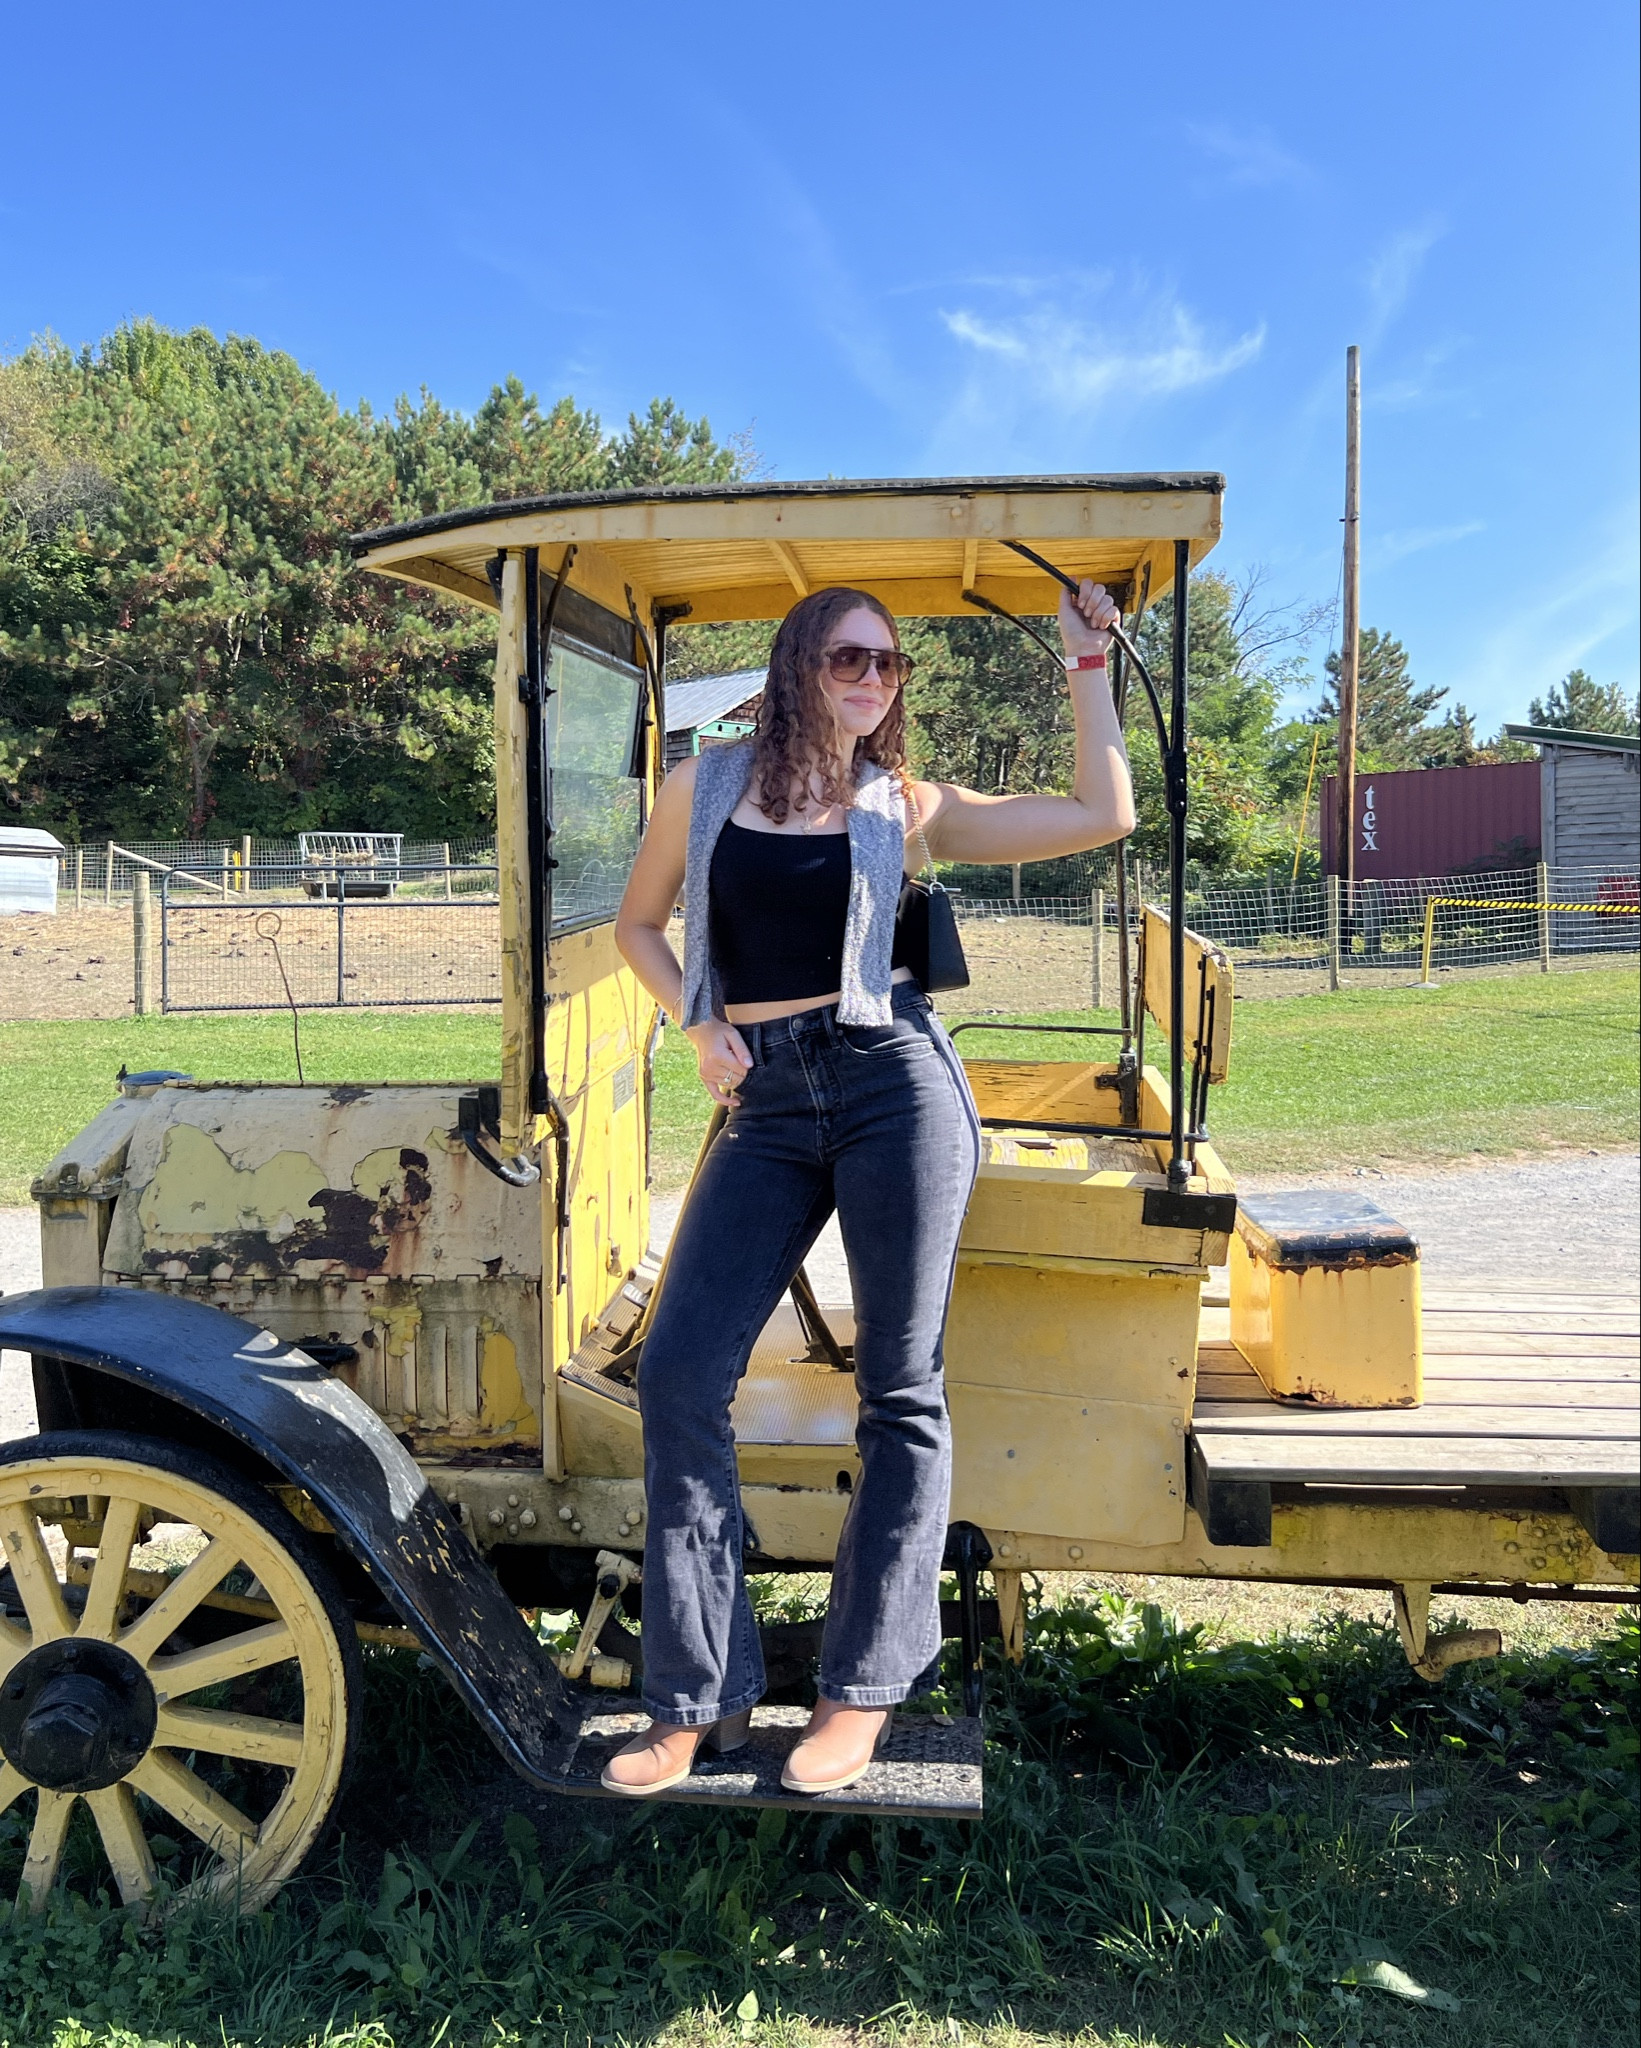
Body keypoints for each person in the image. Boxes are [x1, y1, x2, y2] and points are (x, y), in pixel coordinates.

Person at [608, 577, 1134, 1795]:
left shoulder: (908, 801)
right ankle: (696, 1698)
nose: (872, 680)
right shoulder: (708, 784)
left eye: (890, 667)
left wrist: (1086, 664)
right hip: (768, 1099)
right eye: (850, 657)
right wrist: (698, 1024)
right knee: (682, 1366)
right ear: (798, 664)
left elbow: (1101, 812)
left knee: (901, 1385)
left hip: (897, 1081)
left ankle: (860, 1695)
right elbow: (642, 926)